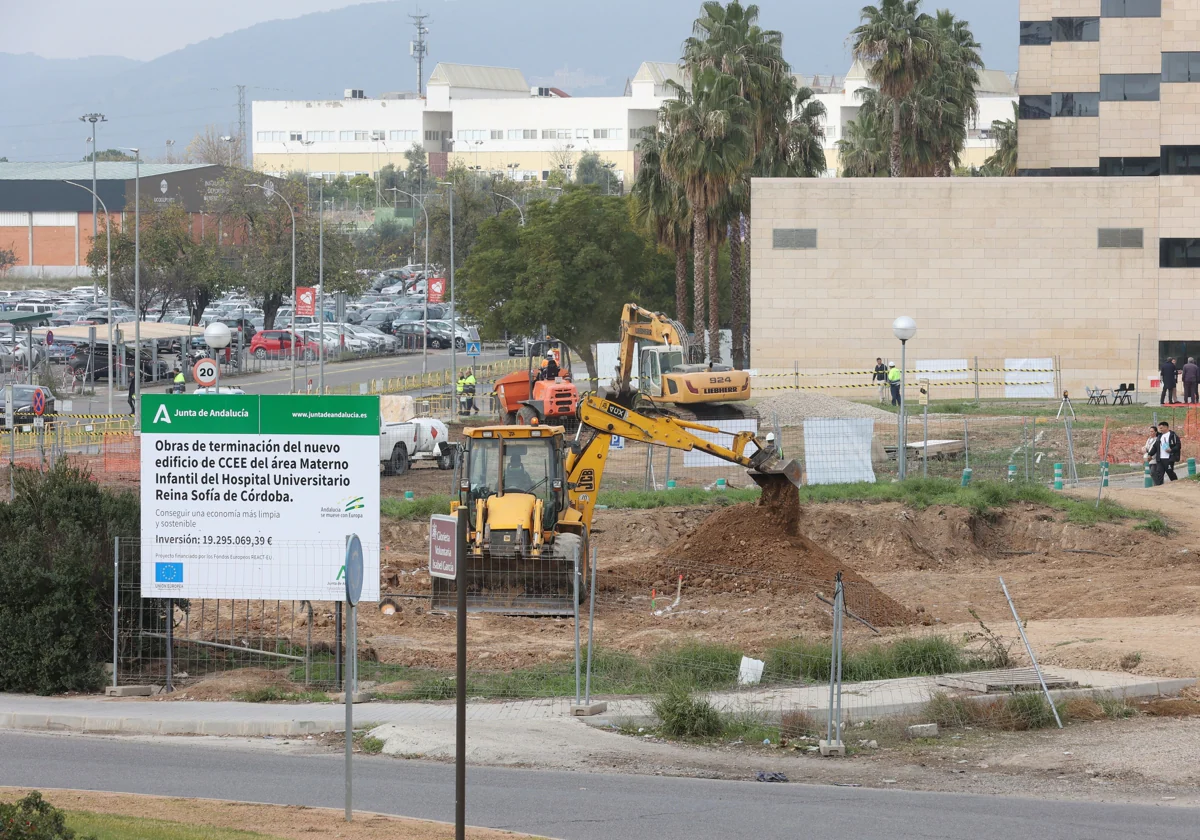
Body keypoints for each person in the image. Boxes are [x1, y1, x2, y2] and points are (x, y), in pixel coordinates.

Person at [1151, 421, 1182, 486]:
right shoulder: (1160, 436)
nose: (1160, 429)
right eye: (1159, 428)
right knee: (1159, 473)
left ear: (1166, 427)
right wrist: (1150, 454)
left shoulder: (1173, 435)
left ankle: (1177, 484)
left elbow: (1178, 445)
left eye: (1161, 428)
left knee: (1170, 472)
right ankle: (1159, 487)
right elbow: (1155, 447)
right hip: (1160, 459)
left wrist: (1171, 450)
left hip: (1169, 458)